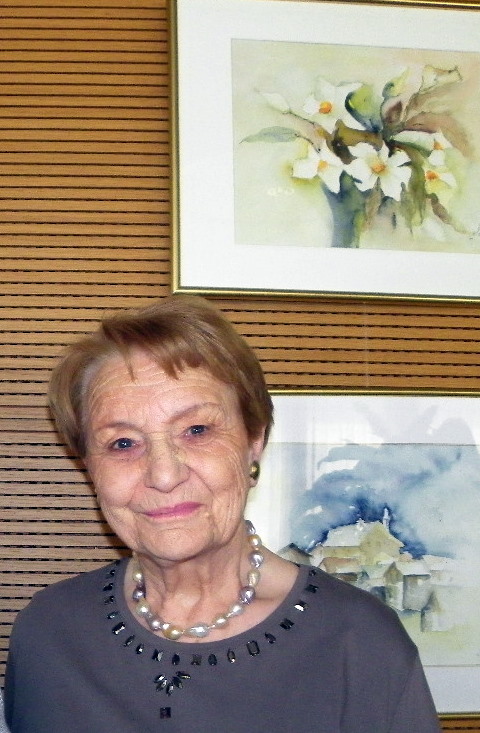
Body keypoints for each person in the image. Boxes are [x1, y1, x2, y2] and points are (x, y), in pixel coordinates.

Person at [4, 295, 441, 732]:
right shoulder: (50, 634)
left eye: (196, 430)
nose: (164, 475)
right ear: (89, 466)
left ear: (254, 442)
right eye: (123, 443)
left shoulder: (360, 642)